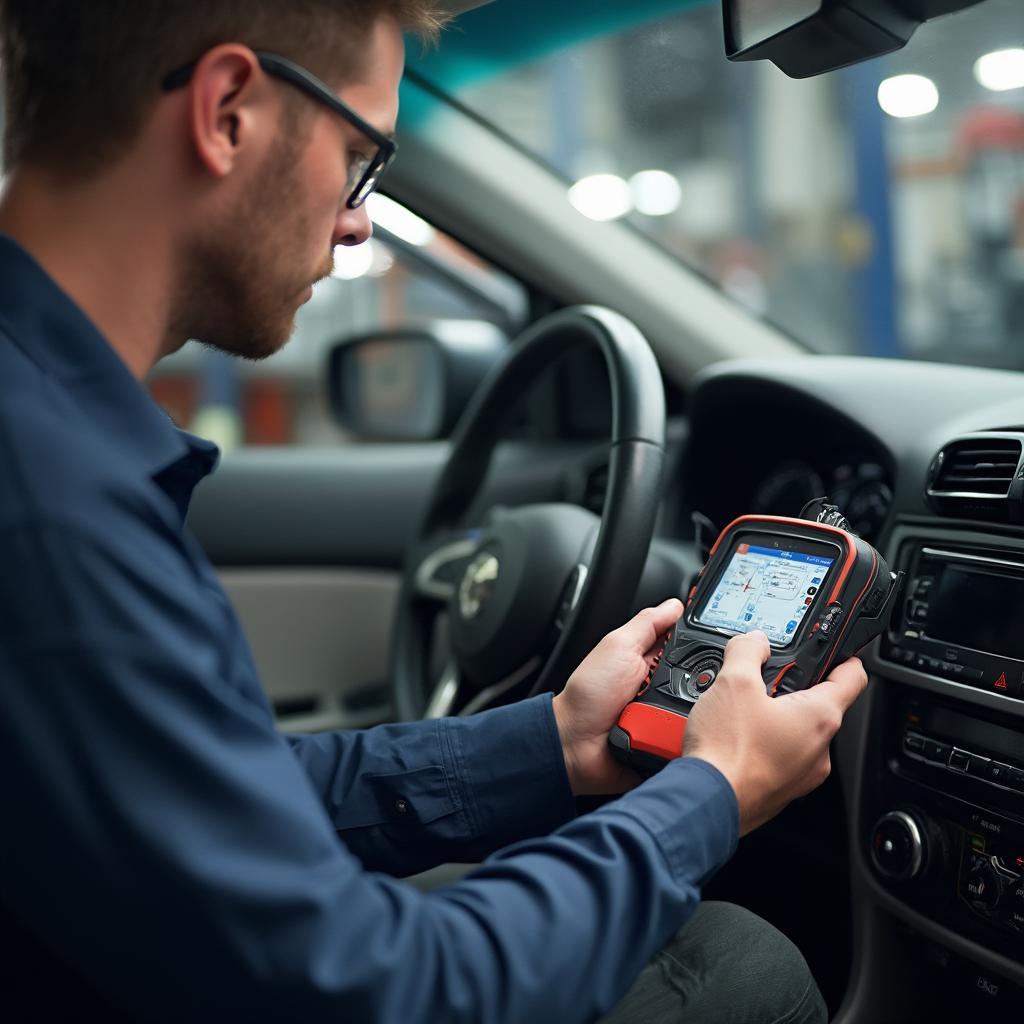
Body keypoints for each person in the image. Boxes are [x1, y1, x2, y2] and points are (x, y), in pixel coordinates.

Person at [0, 2, 867, 1021]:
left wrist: (547, 745)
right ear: (227, 110)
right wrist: (708, 793)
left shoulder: (46, 440)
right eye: (362, 158)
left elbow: (203, 804)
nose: (361, 215)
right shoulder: (55, 512)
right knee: (740, 966)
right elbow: (389, 988)